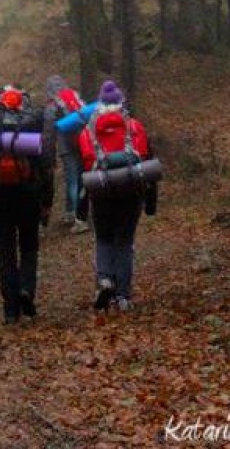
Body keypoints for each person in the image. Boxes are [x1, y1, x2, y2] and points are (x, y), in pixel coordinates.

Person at [0, 84, 54, 323]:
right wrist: (47, 203)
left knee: (5, 252)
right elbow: (46, 170)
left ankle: (10, 310)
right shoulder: (32, 134)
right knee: (29, 248)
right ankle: (26, 289)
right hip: (29, 197)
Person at [77, 80, 157, 312]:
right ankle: (123, 296)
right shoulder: (134, 126)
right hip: (130, 191)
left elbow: (86, 160)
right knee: (124, 241)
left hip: (101, 190)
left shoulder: (88, 130)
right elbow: (144, 156)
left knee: (103, 237)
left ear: (100, 103)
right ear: (121, 102)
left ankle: (104, 279)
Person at [45, 74, 88, 231]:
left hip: (66, 147)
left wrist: (49, 158)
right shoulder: (75, 97)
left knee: (72, 180)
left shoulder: (52, 106)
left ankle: (78, 218)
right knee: (82, 178)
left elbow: (49, 135)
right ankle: (74, 212)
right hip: (82, 142)